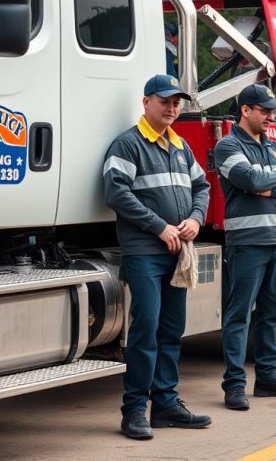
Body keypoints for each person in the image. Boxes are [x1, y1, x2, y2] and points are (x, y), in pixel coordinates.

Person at [103, 74, 212, 440]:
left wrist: (196, 219)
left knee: (170, 330)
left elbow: (202, 186)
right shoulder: (129, 144)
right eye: (164, 101)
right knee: (145, 329)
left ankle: (165, 404)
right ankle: (134, 411)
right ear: (146, 102)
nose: (171, 107)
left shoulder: (181, 147)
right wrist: (159, 227)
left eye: (176, 102)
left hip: (177, 253)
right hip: (145, 252)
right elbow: (115, 192)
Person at [214, 84, 276, 411]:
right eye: (265, 110)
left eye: (273, 110)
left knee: (272, 314)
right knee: (239, 315)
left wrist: (270, 188)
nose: (272, 116)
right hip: (247, 245)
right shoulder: (227, 146)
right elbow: (248, 180)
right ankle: (234, 385)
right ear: (245, 110)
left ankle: (267, 378)